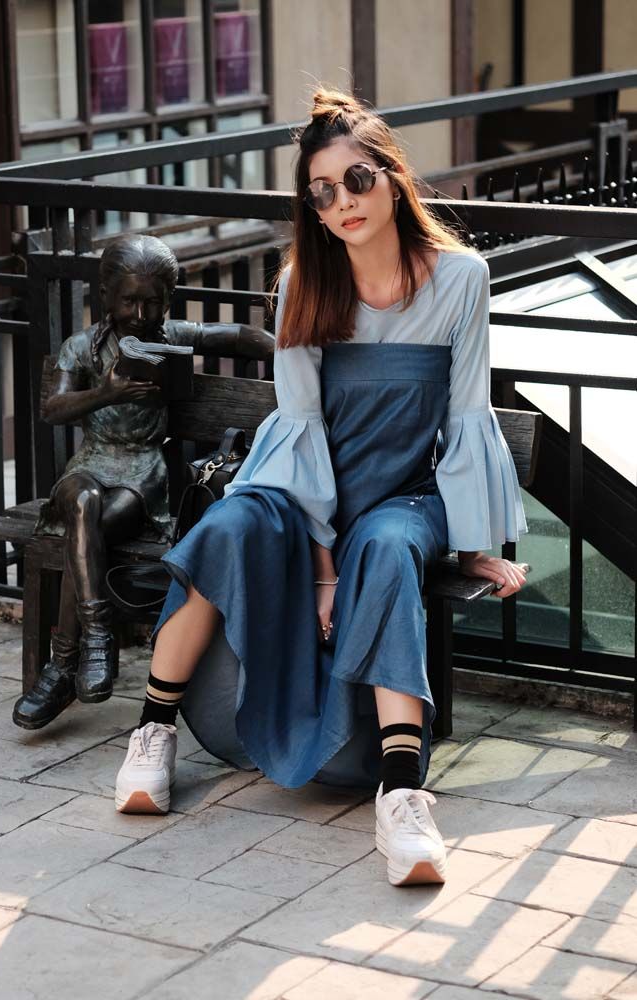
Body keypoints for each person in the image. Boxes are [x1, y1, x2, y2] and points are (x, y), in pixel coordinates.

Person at [114, 88, 528, 887]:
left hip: (405, 493)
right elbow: (300, 430)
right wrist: (321, 566)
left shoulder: (460, 279)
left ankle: (400, 799)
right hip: (303, 490)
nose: (343, 202)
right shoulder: (303, 283)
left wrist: (473, 544)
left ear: (393, 178)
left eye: (357, 180)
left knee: (388, 548)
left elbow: (466, 415)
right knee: (226, 528)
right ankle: (152, 733)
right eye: (322, 192)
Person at [13, 234, 269, 731]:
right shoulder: (81, 347)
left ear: (168, 299)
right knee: (82, 502)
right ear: (105, 295)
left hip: (140, 475)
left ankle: (62, 665)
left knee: (88, 525)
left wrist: (286, 348)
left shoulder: (171, 336)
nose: (140, 313)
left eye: (153, 302)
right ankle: (95, 636)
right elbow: (53, 408)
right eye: (129, 300)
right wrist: (106, 393)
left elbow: (239, 335)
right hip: (89, 464)